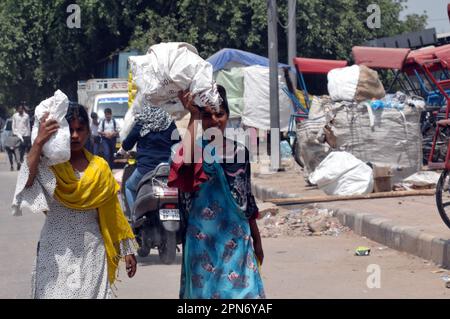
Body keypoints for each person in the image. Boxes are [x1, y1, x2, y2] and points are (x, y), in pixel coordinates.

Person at [12, 103, 137, 299]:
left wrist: (126, 249)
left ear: (88, 132)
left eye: (80, 130)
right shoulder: (49, 166)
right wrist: (38, 143)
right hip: (55, 250)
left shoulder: (100, 168)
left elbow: (114, 213)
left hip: (92, 251)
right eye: (69, 130)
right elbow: (26, 184)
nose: (75, 135)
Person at [168, 85, 265, 299]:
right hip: (202, 243)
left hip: (237, 240)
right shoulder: (189, 150)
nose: (214, 121)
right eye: (207, 115)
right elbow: (182, 163)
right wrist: (193, 114)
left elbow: (246, 199)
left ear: (228, 115)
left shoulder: (240, 152)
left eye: (219, 114)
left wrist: (257, 239)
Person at [121, 103, 179, 217]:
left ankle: (135, 217)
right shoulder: (169, 123)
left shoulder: (142, 123)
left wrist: (121, 152)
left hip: (144, 171)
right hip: (165, 170)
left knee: (129, 186)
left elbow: (127, 144)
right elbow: (178, 144)